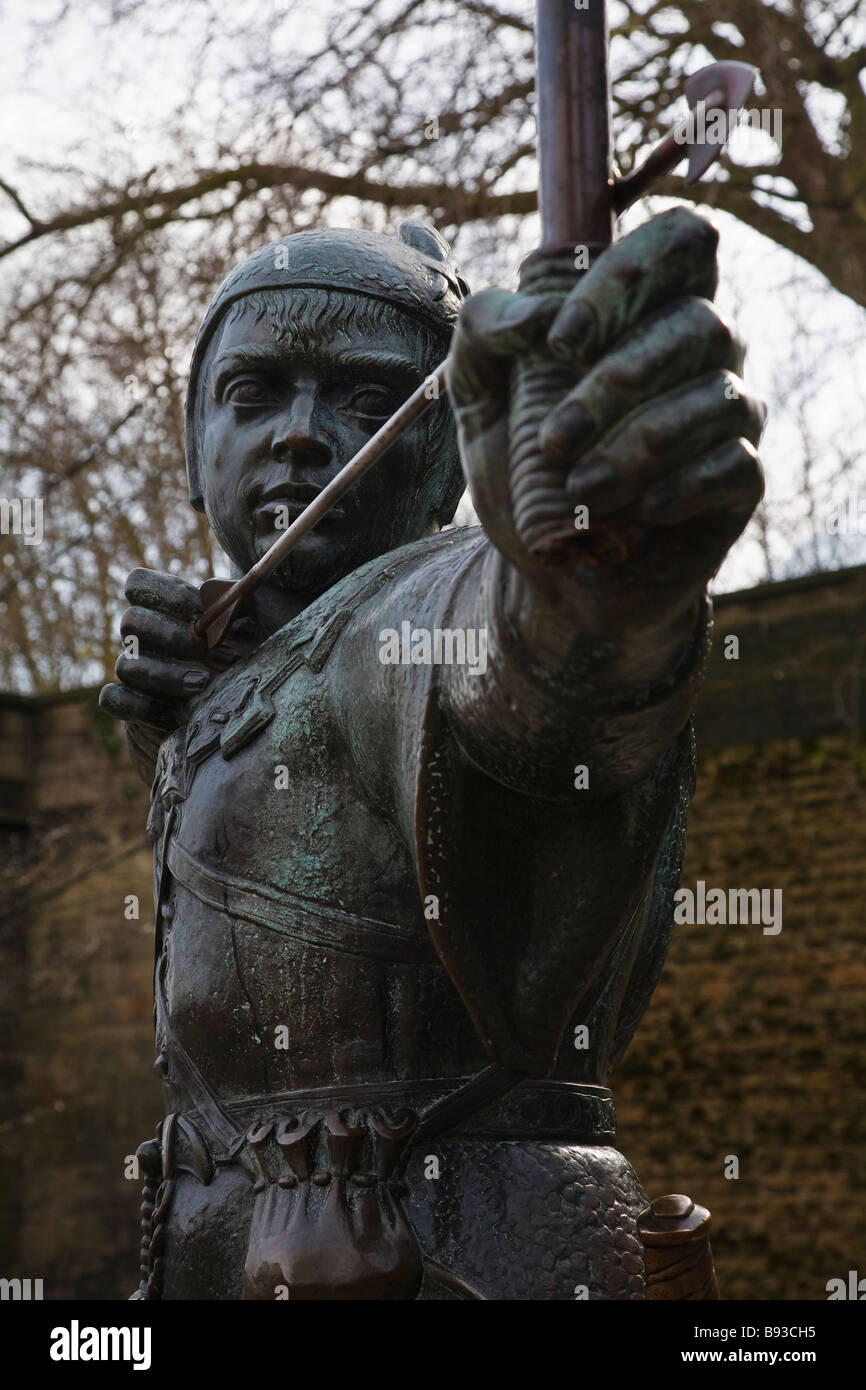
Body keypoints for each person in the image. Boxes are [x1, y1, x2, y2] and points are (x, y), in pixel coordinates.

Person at [100, 210, 764, 1299]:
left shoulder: (415, 610)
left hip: (450, 1252)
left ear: (455, 448)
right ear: (192, 444)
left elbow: (526, 683)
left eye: (366, 401)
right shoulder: (231, 660)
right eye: (253, 392)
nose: (301, 436)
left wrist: (595, 580)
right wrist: (180, 706)